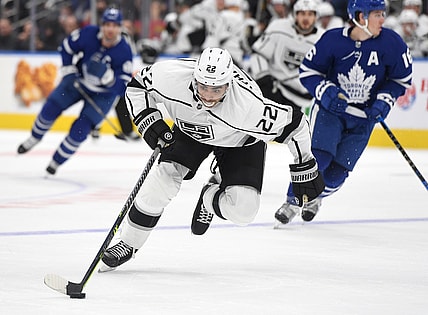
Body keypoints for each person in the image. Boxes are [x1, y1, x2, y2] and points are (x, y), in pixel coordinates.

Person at [99, 47, 325, 271]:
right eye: (203, 86)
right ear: (194, 77)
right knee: (162, 181)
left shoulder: (248, 106)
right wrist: (149, 121)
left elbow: (295, 125)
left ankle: (209, 197)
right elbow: (137, 87)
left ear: (228, 84)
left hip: (240, 142)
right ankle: (128, 243)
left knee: (244, 211)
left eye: (216, 89)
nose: (207, 95)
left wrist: (304, 166)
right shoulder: (171, 76)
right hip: (191, 132)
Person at [274, 0, 413, 225]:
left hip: (363, 118)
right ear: (361, 17)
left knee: (337, 175)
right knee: (319, 158)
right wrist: (327, 92)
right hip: (331, 112)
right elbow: (309, 71)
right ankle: (292, 201)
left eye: (383, 14)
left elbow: (400, 79)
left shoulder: (392, 43)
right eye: (377, 14)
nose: (382, 20)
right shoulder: (333, 40)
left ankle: (315, 197)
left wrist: (384, 101)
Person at [17, 7, 133, 174]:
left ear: (120, 28)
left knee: (80, 130)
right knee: (50, 109)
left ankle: (56, 162)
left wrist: (109, 79)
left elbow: (123, 88)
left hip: (103, 96)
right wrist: (68, 68)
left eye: (114, 25)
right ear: (102, 25)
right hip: (77, 82)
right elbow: (66, 47)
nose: (110, 29)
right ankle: (34, 138)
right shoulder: (88, 34)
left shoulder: (124, 51)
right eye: (107, 24)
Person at [250, 0, 325, 115]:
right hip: (274, 90)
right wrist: (263, 77)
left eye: (310, 14)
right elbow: (258, 54)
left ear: (316, 17)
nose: (306, 18)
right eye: (302, 14)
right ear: (295, 15)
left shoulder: (323, 40)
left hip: (304, 99)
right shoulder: (278, 28)